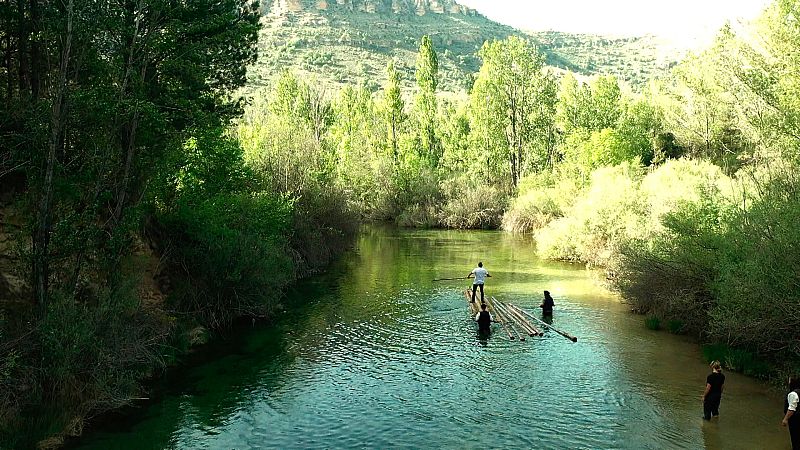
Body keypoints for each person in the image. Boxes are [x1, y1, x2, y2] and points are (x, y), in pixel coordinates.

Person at [783, 375, 800, 449]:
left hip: (795, 419)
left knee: (795, 437)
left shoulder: (793, 394)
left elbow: (791, 409)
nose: (789, 382)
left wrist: (785, 419)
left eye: (790, 381)